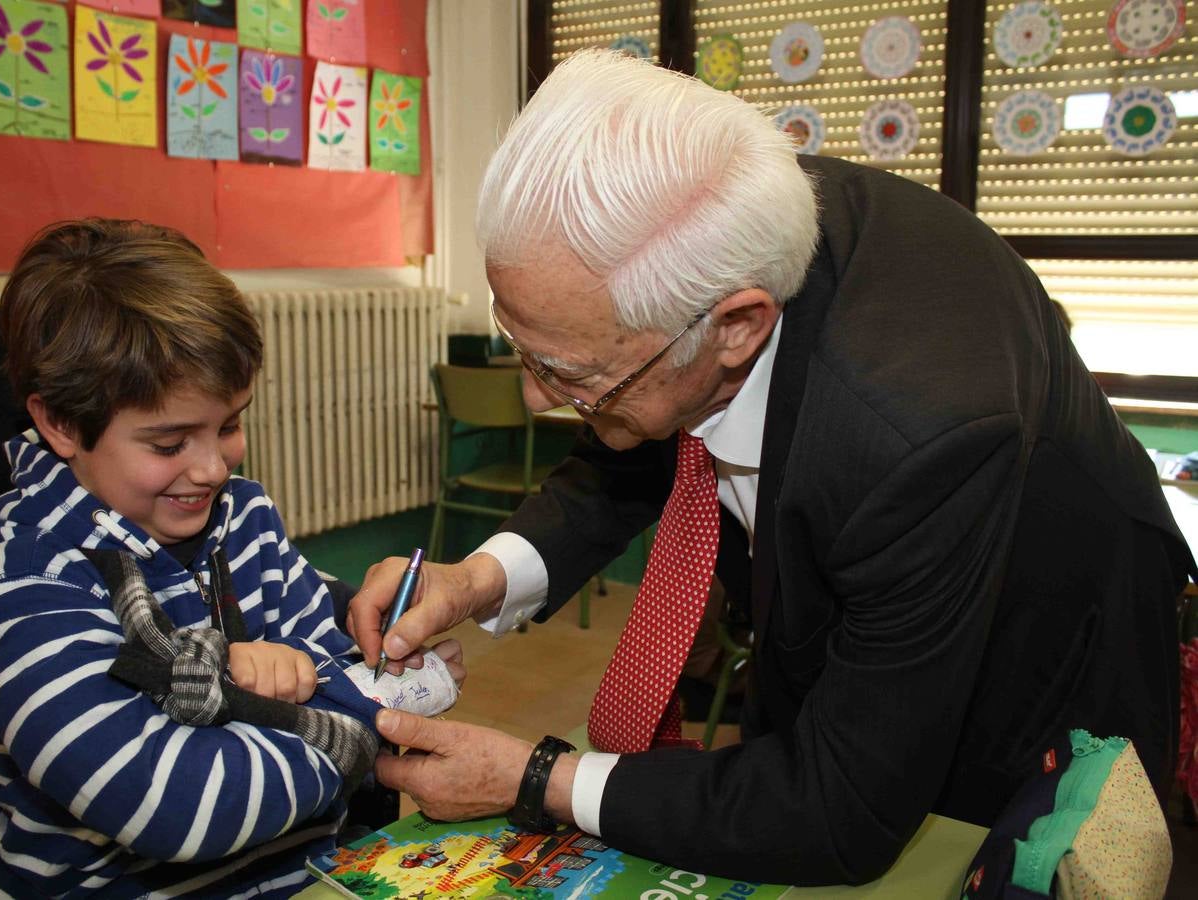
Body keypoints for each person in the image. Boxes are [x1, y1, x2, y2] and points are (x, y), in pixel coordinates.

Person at [350, 51, 1193, 885]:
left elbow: (842, 809)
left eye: (567, 375)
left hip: (1043, 644)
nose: (538, 402)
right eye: (523, 351)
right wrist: (477, 579)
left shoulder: (914, 437)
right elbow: (634, 434)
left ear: (737, 326)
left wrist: (535, 778)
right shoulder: (711, 231)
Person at [0, 219, 461, 898]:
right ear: (61, 424)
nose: (214, 467)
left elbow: (333, 663)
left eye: (229, 425)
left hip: (300, 877)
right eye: (170, 443)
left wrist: (322, 690)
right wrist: (366, 721)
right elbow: (172, 804)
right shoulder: (29, 580)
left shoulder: (243, 516)